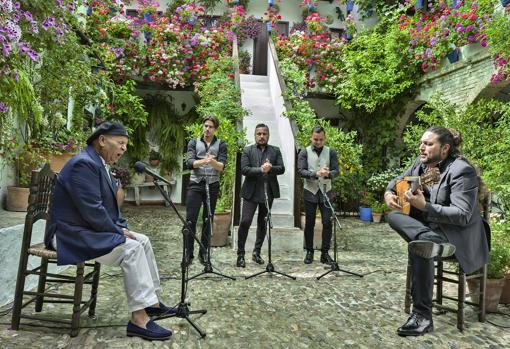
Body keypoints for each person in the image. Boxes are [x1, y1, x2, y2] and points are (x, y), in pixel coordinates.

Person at [44, 121, 174, 341]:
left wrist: (120, 227)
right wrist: (118, 231)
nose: (124, 148)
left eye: (125, 144)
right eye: (121, 143)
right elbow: (92, 210)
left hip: (86, 229)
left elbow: (106, 208)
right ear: (102, 140)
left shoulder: (98, 163)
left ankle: (151, 303)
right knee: (131, 249)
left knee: (142, 240)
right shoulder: (83, 164)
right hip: (69, 235)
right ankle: (139, 320)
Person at [385, 126, 489, 337]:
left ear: (445, 149)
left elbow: (462, 215)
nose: (422, 148)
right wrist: (388, 193)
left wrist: (425, 207)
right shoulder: (419, 163)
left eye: (429, 144)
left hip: (455, 236)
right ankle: (427, 240)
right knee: (394, 217)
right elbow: (397, 181)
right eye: (422, 143)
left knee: (419, 248)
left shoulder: (461, 170)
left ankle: (422, 316)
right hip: (429, 232)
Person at [236, 123, 285, 267]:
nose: (262, 136)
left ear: (268, 135)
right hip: (251, 191)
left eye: (264, 134)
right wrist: (261, 170)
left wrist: (270, 169)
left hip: (267, 191)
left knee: (262, 223)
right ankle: (240, 254)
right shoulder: (247, 150)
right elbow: (244, 169)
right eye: (259, 134)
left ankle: (256, 252)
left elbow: (281, 169)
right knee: (245, 221)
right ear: (255, 135)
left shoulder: (275, 150)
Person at [185, 115, 227, 265]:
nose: (207, 129)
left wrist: (212, 161)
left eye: (210, 127)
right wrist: (204, 161)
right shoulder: (193, 142)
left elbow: (222, 167)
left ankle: (203, 253)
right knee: (190, 220)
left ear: (215, 129)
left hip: (212, 185)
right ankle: (187, 253)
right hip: (195, 184)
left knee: (208, 219)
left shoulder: (221, 144)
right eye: (205, 126)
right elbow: (190, 163)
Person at [298, 126, 339, 265]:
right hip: (310, 191)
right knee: (309, 223)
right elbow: (301, 171)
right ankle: (309, 251)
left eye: (321, 139)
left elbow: (336, 171)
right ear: (311, 137)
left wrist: (328, 174)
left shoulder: (331, 152)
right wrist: (316, 174)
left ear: (324, 138)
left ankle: (325, 253)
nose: (318, 142)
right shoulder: (304, 152)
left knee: (327, 222)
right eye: (315, 139)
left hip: (326, 191)